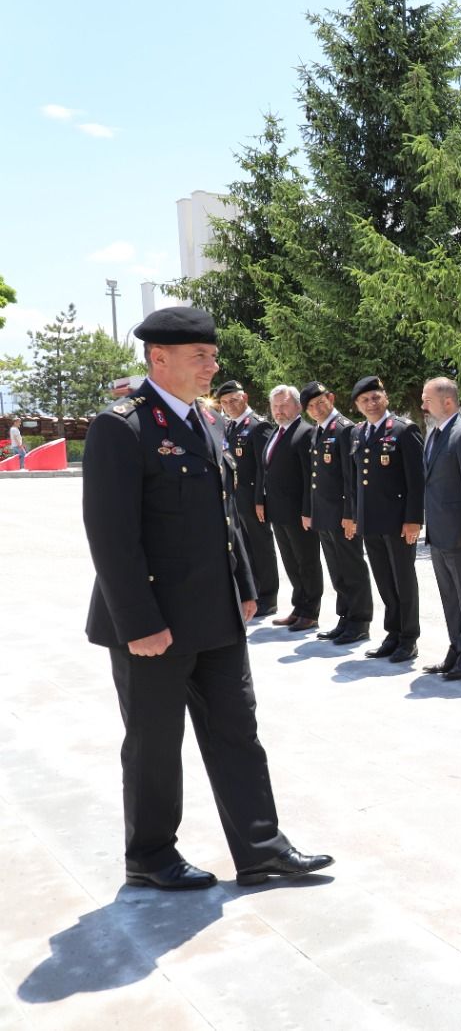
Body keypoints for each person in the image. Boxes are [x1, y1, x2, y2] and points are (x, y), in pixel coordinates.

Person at [82, 306, 332, 890]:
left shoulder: (205, 422)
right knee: (155, 743)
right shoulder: (122, 426)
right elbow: (111, 536)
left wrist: (245, 587)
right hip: (154, 621)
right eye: (200, 357)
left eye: (213, 355)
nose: (212, 366)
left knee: (237, 732)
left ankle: (261, 848)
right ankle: (149, 855)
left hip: (215, 614)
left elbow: (226, 517)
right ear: (159, 359)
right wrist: (139, 621)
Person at [351, 376, 425, 664]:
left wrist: (413, 520)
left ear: (386, 398)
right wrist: (357, 516)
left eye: (375, 397)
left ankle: (409, 638)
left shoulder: (404, 431)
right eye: (364, 400)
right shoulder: (359, 433)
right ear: (357, 405)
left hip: (398, 522)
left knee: (403, 580)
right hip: (371, 521)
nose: (371, 403)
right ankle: (392, 633)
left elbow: (416, 481)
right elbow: (358, 480)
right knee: (384, 580)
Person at [419, 377, 461, 681]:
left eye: (428, 399)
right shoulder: (435, 435)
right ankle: (457, 647)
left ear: (447, 401)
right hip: (439, 532)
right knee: (450, 595)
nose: (423, 405)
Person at [301, 381, 372, 645]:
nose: (317, 409)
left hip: (342, 515)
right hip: (325, 514)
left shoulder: (344, 429)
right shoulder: (319, 431)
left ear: (331, 398)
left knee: (352, 566)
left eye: (320, 402)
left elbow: (350, 477)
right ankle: (345, 617)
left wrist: (350, 514)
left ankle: (360, 621)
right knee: (337, 569)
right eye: (310, 406)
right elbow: (316, 477)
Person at [256, 385, 322, 632]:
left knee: (307, 561)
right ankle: (298, 606)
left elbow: (309, 477)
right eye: (275, 406)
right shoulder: (277, 432)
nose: (279, 411)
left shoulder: (304, 433)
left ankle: (310, 611)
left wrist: (308, 510)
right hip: (278, 510)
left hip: (298, 512)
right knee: (291, 562)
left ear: (297, 406)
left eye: (283, 405)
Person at [219, 380, 278, 619]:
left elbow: (264, 468)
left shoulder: (258, 425)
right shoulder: (229, 427)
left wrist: (260, 500)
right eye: (224, 402)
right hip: (235, 499)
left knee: (261, 547)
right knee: (244, 549)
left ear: (245, 398)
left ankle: (269, 596)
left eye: (234, 400)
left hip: (253, 499)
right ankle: (252, 593)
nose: (229, 405)